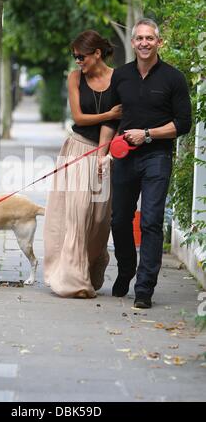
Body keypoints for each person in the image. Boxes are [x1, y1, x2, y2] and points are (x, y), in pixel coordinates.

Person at [108, 18, 192, 309]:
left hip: (157, 156)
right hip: (124, 158)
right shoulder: (120, 76)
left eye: (150, 38)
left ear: (159, 42)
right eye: (139, 38)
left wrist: (147, 134)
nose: (144, 43)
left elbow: (183, 124)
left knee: (151, 222)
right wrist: (105, 149)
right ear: (132, 43)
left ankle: (144, 289)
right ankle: (126, 269)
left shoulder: (173, 78)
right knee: (119, 220)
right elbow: (112, 115)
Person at [43, 30, 121, 298]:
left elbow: (114, 122)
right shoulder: (75, 78)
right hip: (77, 148)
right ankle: (73, 280)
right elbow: (78, 116)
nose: (77, 61)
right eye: (74, 57)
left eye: (81, 56)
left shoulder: (118, 79)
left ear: (97, 53)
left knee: (100, 218)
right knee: (77, 214)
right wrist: (109, 113)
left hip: (104, 151)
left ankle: (94, 260)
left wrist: (103, 155)